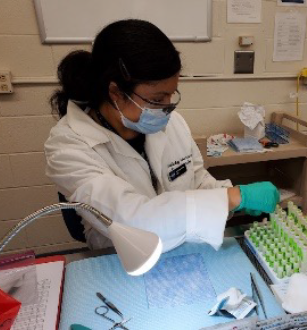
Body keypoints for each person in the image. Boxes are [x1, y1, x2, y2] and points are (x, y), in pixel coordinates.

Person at [44, 19, 280, 252]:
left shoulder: (171, 123)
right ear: (115, 92)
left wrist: (230, 197)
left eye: (171, 95)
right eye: (157, 99)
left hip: (183, 247)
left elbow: (197, 181)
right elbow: (133, 221)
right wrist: (229, 199)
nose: (167, 108)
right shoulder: (68, 146)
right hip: (121, 258)